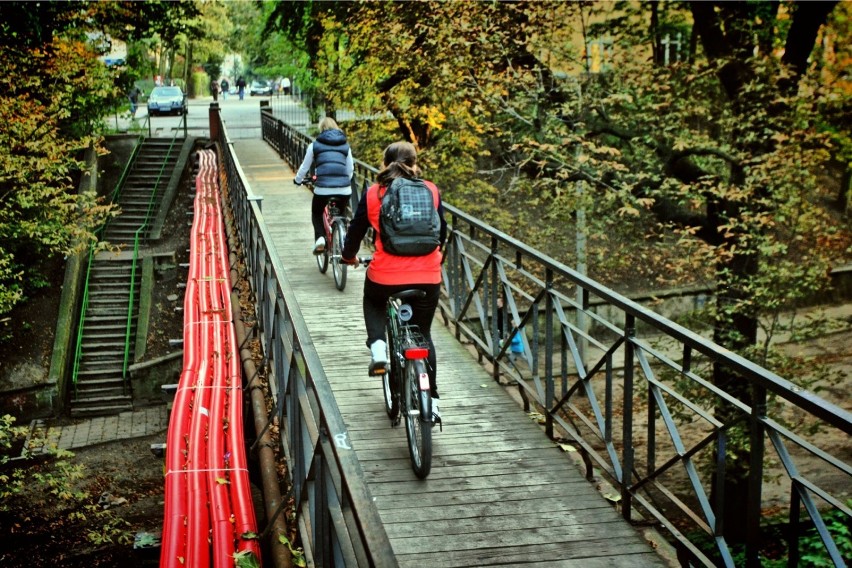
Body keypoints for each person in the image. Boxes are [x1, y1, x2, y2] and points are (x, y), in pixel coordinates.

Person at [341, 141, 447, 416]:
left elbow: (355, 230)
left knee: (373, 301)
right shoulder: (431, 190)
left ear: (385, 163)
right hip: (428, 276)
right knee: (422, 335)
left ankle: (378, 347)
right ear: (415, 164)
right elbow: (441, 231)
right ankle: (432, 401)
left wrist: (348, 257)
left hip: (385, 275)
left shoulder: (374, 193)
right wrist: (437, 258)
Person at [294, 117, 355, 255]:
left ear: (321, 129)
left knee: (316, 212)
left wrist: (298, 180)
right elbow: (350, 169)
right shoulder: (346, 145)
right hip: (344, 189)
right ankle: (344, 238)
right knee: (342, 212)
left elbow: (304, 167)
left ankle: (320, 238)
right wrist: (345, 181)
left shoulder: (314, 145)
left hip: (323, 189)